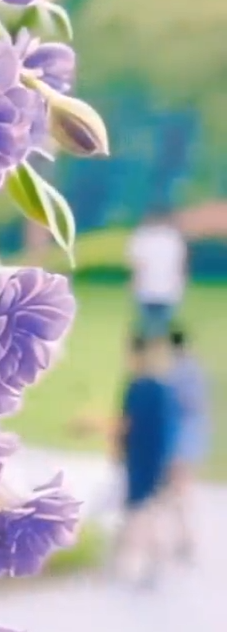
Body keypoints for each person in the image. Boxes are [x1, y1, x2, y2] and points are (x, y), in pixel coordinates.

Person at [113, 335, 180, 587]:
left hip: (140, 457)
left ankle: (133, 559)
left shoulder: (138, 387)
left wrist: (119, 450)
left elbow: (126, 424)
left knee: (138, 509)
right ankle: (150, 557)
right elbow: (167, 430)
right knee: (147, 507)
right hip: (152, 457)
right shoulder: (160, 388)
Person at [166, 327, 209, 560]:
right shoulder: (196, 369)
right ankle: (184, 539)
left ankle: (184, 539)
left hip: (179, 442)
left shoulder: (175, 373)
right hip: (193, 439)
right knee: (181, 493)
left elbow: (177, 406)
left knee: (177, 494)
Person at [126, 208, 187, 337]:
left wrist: (133, 284)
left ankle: (148, 350)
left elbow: (137, 265)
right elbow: (180, 266)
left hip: (147, 289)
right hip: (167, 289)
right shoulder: (173, 238)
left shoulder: (142, 237)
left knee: (147, 325)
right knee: (162, 325)